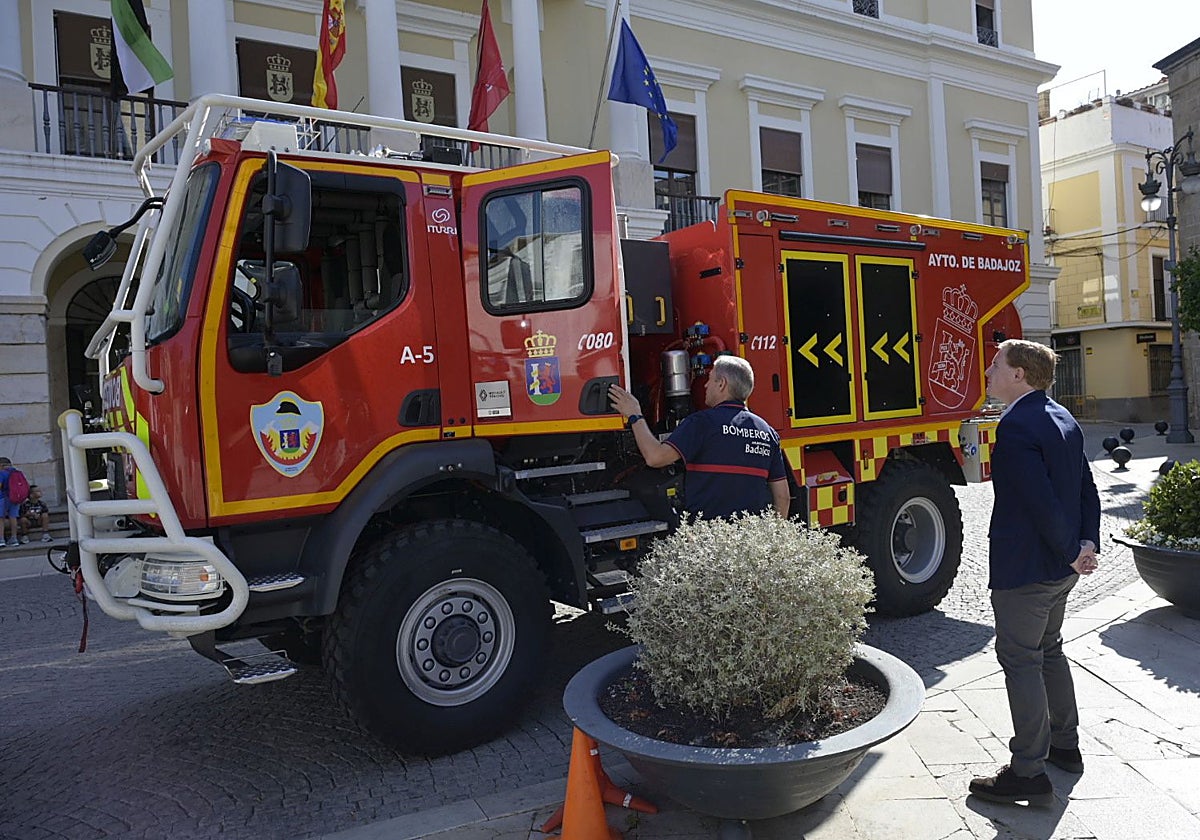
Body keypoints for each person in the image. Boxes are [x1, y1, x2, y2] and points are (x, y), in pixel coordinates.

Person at [969, 339, 1100, 807]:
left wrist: (1072, 550)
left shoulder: (1016, 425)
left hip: (1027, 570)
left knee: (1022, 660)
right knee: (1049, 651)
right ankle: (1065, 746)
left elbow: (1037, 500)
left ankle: (1028, 772)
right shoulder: (1063, 417)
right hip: (1060, 569)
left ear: (1018, 374)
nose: (988, 371)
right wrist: (1086, 544)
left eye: (995, 364)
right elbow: (1086, 487)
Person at [608, 355, 790, 520]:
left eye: (710, 379)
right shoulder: (768, 433)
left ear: (722, 384)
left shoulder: (701, 423)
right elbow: (783, 497)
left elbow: (655, 458)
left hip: (710, 539)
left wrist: (635, 415)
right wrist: (773, 537)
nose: (705, 385)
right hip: (751, 539)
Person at [0, 457, 21, 548]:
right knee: (13, 517)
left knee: (1, 519)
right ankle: (14, 538)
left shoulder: (2, 473)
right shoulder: (16, 472)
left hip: (3, 497)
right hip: (15, 497)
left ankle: (1, 539)